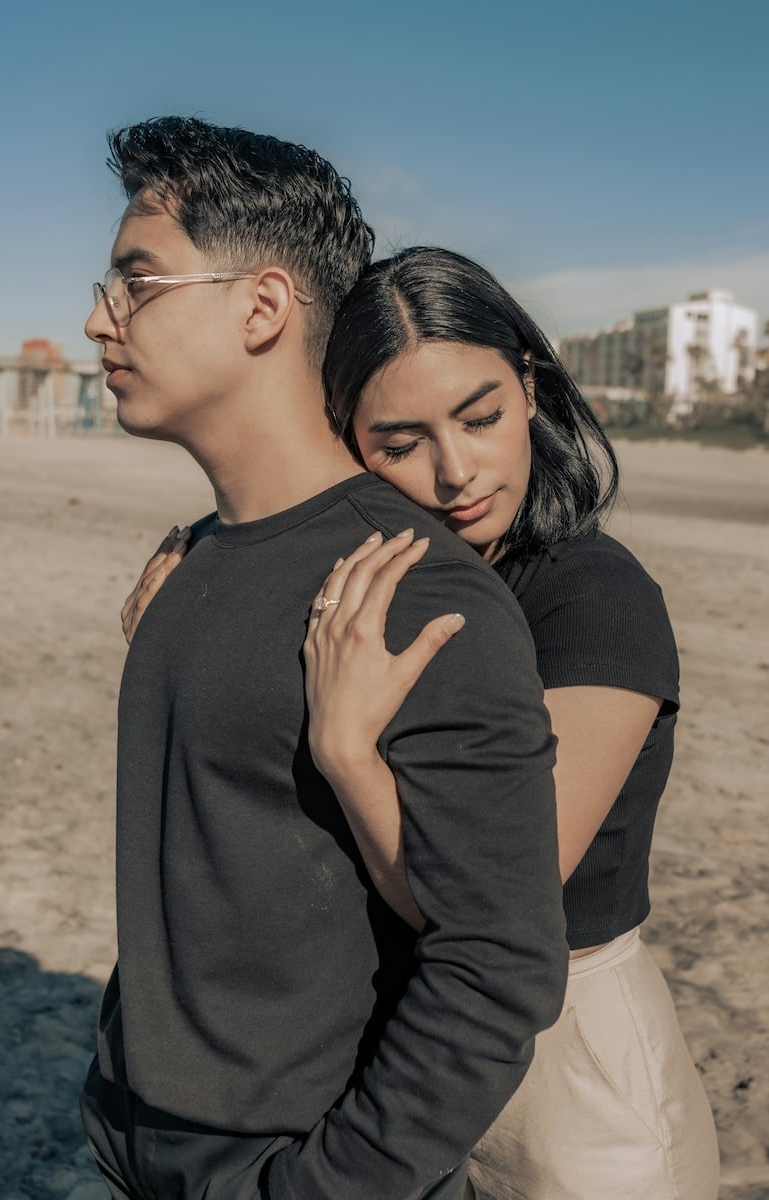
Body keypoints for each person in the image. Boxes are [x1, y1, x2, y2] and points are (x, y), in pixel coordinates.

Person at [127, 246, 720, 1199]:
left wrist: (349, 754)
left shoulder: (595, 601)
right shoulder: (383, 575)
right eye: (399, 444)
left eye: (481, 418)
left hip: (570, 1075)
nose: (456, 472)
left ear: (531, 387)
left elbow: (490, 903)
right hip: (400, 1056)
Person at [80, 119, 568, 1200]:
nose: (98, 317)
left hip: (285, 1158)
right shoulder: (191, 564)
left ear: (262, 307)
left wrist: (325, 1185)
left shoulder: (412, 594)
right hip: (138, 1139)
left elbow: (497, 965)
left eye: (137, 283)